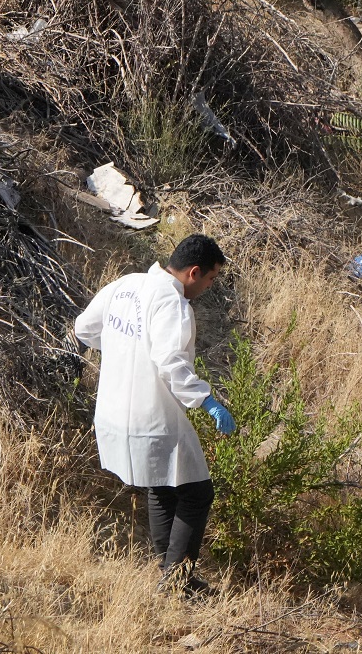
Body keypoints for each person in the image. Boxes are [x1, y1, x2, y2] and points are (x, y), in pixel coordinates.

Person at [74, 233, 237, 596]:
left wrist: (123, 349)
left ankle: (170, 572)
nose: (209, 287)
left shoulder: (126, 285)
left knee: (163, 486)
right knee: (197, 492)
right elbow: (170, 363)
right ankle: (177, 582)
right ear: (193, 272)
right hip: (153, 417)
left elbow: (84, 329)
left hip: (114, 413)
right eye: (210, 279)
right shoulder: (172, 302)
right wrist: (207, 401)